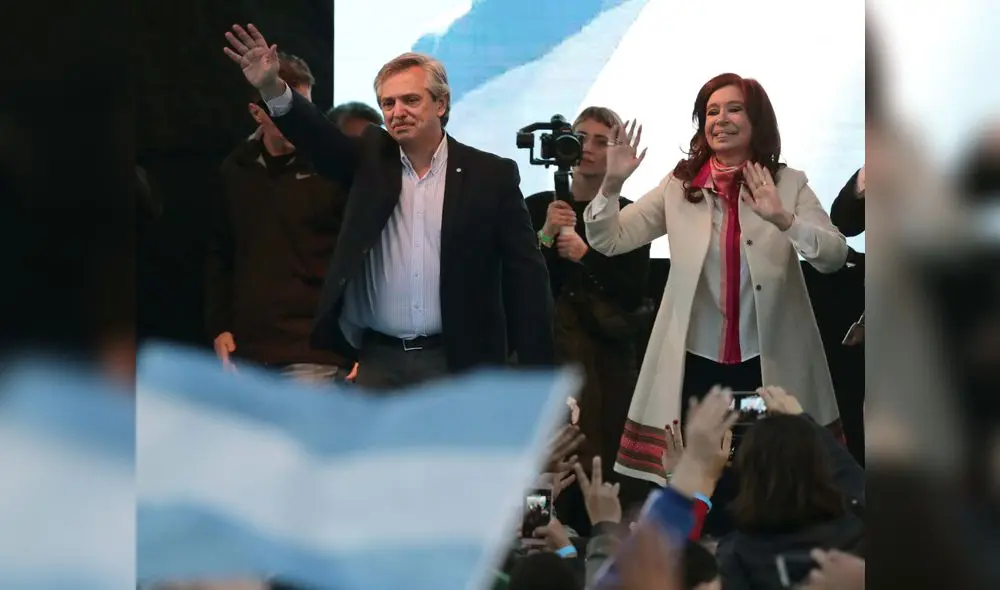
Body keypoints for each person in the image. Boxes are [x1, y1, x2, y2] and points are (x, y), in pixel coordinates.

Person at [222, 24, 554, 389]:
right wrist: (271, 87)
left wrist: (538, 374)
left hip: (458, 362)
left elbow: (527, 278)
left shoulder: (490, 175)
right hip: (378, 361)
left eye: (411, 100)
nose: (398, 111)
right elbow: (318, 136)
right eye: (388, 103)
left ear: (441, 104)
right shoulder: (369, 158)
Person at [583, 73, 847, 488]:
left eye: (734, 108)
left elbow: (834, 256)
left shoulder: (787, 183)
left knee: (770, 481)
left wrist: (785, 220)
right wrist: (611, 185)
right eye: (711, 111)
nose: (720, 119)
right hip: (697, 362)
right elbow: (609, 240)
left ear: (757, 121)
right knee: (703, 481)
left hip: (768, 360)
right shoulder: (679, 185)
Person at [524, 106, 651, 529]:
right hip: (546, 356)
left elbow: (633, 289)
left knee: (604, 451)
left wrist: (587, 255)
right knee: (548, 454)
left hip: (607, 360)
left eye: (602, 141)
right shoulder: (538, 204)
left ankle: (603, 539)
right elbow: (515, 279)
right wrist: (544, 236)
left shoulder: (631, 213)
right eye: (581, 138)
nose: (588, 150)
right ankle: (543, 544)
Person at [205, 52, 354, 384]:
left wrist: (363, 342)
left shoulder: (333, 166)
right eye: (287, 109)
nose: (297, 121)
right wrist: (220, 327)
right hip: (248, 351)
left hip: (315, 352)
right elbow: (221, 253)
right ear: (257, 112)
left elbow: (363, 257)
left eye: (304, 110)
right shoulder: (235, 169)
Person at [716, 387, 864, 590]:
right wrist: (802, 421)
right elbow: (852, 478)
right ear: (820, 466)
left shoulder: (734, 556)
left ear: (748, 477)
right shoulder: (858, 528)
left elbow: (674, 559)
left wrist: (698, 472)